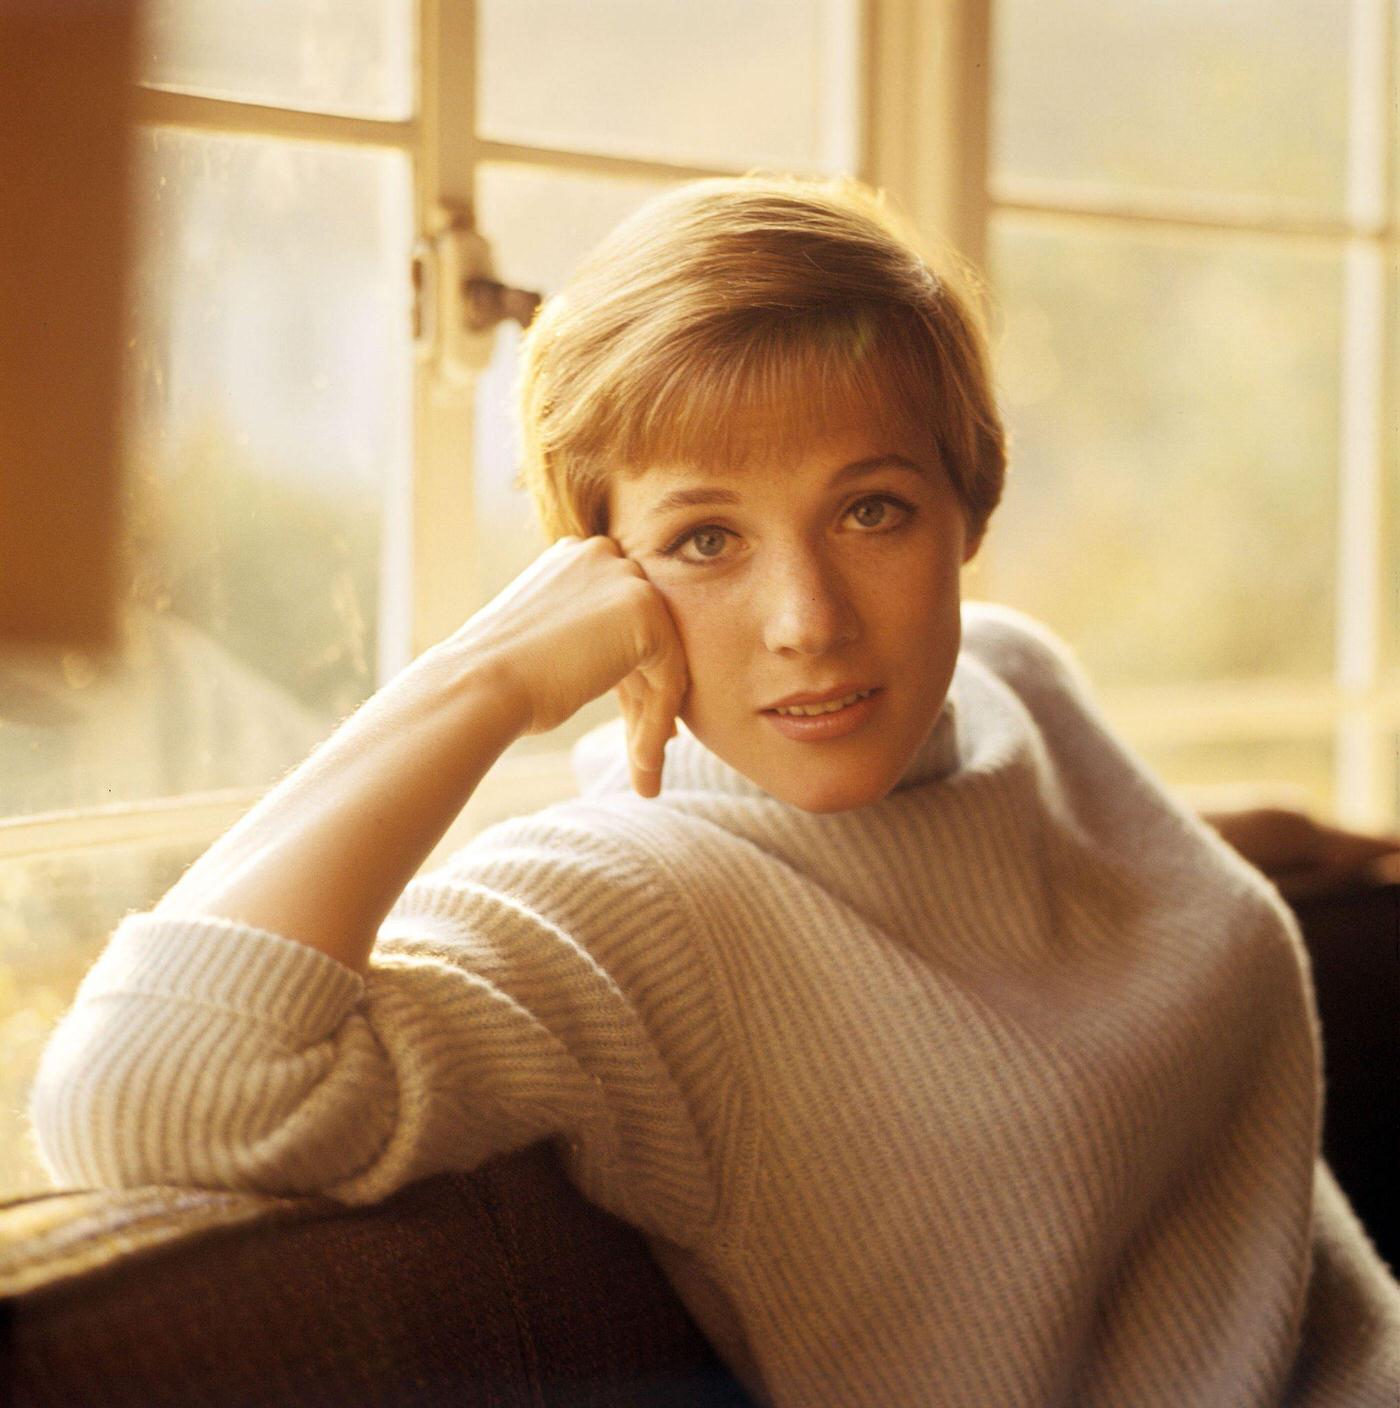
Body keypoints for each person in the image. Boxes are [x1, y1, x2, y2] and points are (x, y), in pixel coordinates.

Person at [30, 174, 1400, 1406]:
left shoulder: (1005, 682)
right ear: (593, 576)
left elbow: (986, 909)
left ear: (968, 509)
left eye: (872, 510)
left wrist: (1241, 844)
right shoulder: (623, 901)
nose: (807, 620)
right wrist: (479, 682)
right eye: (704, 540)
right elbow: (142, 1094)